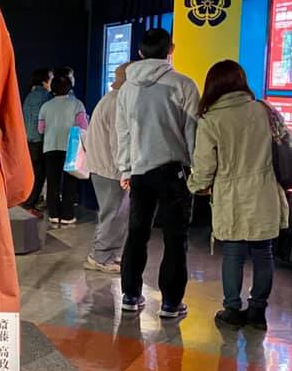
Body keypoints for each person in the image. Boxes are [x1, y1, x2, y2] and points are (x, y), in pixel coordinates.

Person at [188, 61, 287, 330]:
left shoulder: (211, 120)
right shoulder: (264, 110)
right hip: (264, 192)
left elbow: (205, 166)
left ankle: (232, 310)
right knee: (263, 253)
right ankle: (258, 312)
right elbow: (286, 144)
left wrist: (195, 186)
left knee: (233, 254)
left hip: (231, 196)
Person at [116, 28, 199, 318]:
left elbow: (123, 133)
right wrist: (197, 170)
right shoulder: (184, 84)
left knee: (137, 234)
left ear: (140, 52)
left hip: (139, 172)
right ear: (170, 49)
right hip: (174, 171)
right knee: (175, 238)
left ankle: (130, 295)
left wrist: (125, 168)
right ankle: (170, 303)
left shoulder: (127, 89)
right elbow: (192, 131)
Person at [84, 63, 130, 272]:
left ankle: (107, 254)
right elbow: (118, 141)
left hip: (105, 167)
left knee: (114, 213)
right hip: (110, 170)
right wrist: (125, 169)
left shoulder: (111, 99)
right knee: (113, 214)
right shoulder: (118, 102)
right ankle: (101, 256)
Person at [39, 75, 88, 225]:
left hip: (50, 147)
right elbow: (83, 127)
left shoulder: (45, 106)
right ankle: (67, 215)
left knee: (52, 182)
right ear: (70, 87)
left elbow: (41, 129)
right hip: (70, 148)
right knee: (69, 183)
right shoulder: (77, 104)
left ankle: (54, 214)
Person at [22, 67, 53, 212]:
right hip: (40, 140)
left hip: (28, 139)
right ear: (44, 81)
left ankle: (28, 200)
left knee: (32, 172)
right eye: (51, 78)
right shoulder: (45, 96)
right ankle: (30, 203)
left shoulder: (30, 96)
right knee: (40, 174)